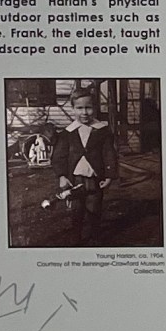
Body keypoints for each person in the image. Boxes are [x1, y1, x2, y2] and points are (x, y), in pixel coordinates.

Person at [51, 86, 120, 243]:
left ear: (95, 107)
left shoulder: (102, 131)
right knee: (76, 211)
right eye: (79, 108)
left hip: (94, 179)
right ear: (73, 109)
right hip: (74, 180)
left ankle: (95, 238)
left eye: (88, 107)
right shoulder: (68, 133)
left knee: (94, 209)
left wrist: (109, 175)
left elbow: (109, 154)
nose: (84, 112)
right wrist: (62, 176)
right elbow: (59, 157)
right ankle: (76, 238)